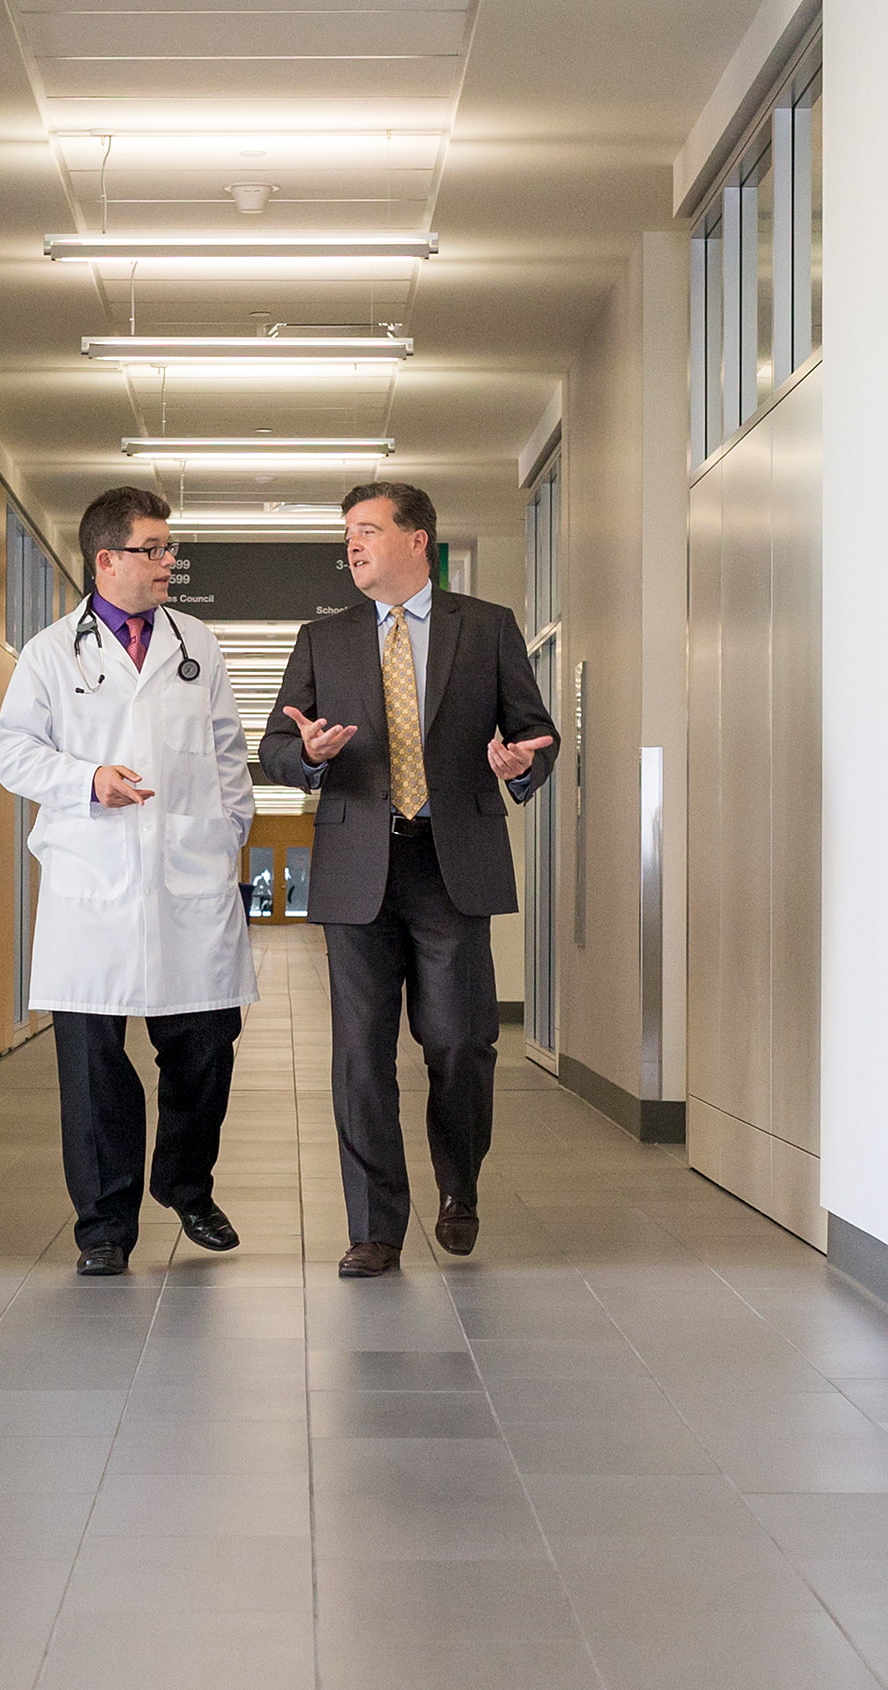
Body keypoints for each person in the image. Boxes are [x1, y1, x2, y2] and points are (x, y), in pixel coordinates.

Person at [258, 482, 558, 1278]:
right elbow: (274, 749)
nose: (352, 546)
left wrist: (522, 763)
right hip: (359, 864)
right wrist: (309, 757)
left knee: (460, 1042)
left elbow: (535, 731)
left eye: (367, 530)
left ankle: (459, 1189)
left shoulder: (485, 627)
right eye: (347, 535)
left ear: (417, 539)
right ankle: (375, 1228)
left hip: (450, 862)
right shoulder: (323, 639)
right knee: (360, 1054)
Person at [0, 486, 257, 1276]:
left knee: (207, 1045)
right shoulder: (48, 652)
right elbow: (13, 752)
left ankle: (184, 1182)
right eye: (154, 550)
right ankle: (104, 1228)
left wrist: (222, 836)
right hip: (91, 884)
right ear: (107, 560)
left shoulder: (197, 645)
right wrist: (87, 778)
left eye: (169, 549)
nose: (168, 562)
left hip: (190, 879)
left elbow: (228, 755)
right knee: (94, 1065)